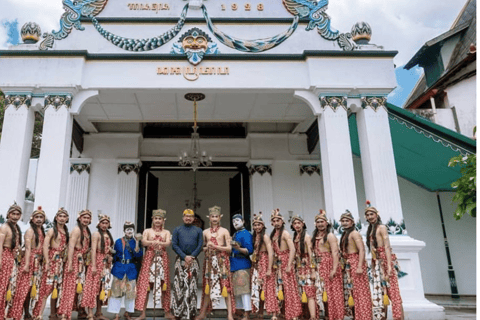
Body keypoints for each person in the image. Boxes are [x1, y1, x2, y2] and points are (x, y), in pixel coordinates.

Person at [365, 201, 404, 320]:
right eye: (367, 215)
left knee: (393, 293)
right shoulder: (370, 229)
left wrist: (390, 266)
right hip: (376, 263)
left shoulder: (381, 227)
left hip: (385, 262)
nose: (370, 217)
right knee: (380, 294)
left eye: (372, 214)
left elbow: (387, 247)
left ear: (377, 215)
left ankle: (399, 318)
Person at [196, 206, 235, 320]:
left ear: (219, 217)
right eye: (212, 216)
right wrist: (206, 248)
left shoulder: (224, 231)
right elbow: (201, 248)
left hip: (222, 261)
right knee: (208, 286)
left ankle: (230, 314)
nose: (214, 218)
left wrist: (216, 246)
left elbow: (229, 248)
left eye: (216, 216)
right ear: (209, 218)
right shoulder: (205, 232)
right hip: (209, 261)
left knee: (225, 286)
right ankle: (203, 313)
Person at [135, 209, 174, 320]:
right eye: (156, 218)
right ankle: (142, 313)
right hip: (149, 258)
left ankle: (167, 312)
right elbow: (144, 242)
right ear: (152, 219)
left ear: (163, 220)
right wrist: (155, 243)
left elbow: (167, 243)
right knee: (145, 285)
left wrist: (156, 243)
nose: (157, 221)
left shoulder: (166, 232)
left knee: (164, 285)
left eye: (160, 219)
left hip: (162, 258)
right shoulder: (147, 231)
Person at [8, 206, 46, 320]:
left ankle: (27, 313)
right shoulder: (30, 231)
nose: (39, 219)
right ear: (32, 219)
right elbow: (28, 249)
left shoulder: (41, 231)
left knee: (31, 290)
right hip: (29, 263)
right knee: (23, 290)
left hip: (37, 263)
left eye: (41, 217)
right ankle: (16, 313)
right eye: (37, 217)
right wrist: (26, 265)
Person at [32, 208, 70, 320]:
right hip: (52, 262)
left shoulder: (66, 231)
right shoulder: (52, 231)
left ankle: (53, 314)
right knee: (46, 288)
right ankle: (38, 314)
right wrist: (47, 262)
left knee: (56, 288)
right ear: (56, 218)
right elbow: (45, 246)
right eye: (60, 216)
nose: (62, 218)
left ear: (67, 219)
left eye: (64, 216)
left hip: (61, 263)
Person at [57, 209, 92, 320]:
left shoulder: (87, 231)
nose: (86, 220)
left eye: (88, 218)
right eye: (84, 217)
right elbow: (71, 247)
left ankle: (79, 311)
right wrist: (70, 263)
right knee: (70, 287)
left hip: (82, 261)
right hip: (75, 261)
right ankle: (64, 314)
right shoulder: (77, 230)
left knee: (79, 288)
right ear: (79, 218)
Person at [311, 210, 344, 320]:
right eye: (318, 222)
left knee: (334, 292)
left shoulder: (330, 236)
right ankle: (328, 315)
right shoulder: (315, 236)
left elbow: (335, 252)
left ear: (327, 223)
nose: (320, 224)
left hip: (329, 264)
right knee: (324, 292)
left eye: (322, 221)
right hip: (320, 266)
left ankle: (337, 316)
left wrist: (334, 269)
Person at [339, 210, 372, 320]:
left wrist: (359, 266)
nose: (344, 223)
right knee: (352, 292)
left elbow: (361, 250)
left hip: (356, 263)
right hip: (349, 264)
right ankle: (356, 316)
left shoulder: (354, 233)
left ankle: (364, 317)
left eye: (347, 221)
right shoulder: (345, 234)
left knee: (361, 292)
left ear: (352, 222)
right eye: (343, 221)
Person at [171, 209, 203, 320]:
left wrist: (191, 257)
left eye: (190, 216)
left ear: (194, 218)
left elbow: (200, 246)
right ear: (183, 217)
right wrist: (184, 257)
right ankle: (177, 312)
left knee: (192, 287)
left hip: (193, 261)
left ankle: (192, 312)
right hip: (180, 260)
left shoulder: (198, 230)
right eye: (186, 216)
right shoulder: (177, 230)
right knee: (178, 287)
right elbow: (174, 245)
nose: (188, 218)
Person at [107, 221, 143, 320]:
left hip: (131, 269)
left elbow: (139, 256)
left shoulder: (137, 241)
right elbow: (114, 256)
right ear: (124, 231)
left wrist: (137, 248)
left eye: (131, 229)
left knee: (130, 293)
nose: (129, 231)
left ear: (133, 230)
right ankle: (116, 314)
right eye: (127, 229)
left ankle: (128, 313)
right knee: (116, 292)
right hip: (119, 269)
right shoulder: (118, 241)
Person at [270, 209, 301, 320]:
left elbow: (292, 249)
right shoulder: (273, 234)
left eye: (278, 220)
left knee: (289, 288)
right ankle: (279, 313)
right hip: (277, 263)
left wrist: (289, 265)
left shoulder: (285, 233)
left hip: (286, 261)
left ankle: (293, 313)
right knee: (278, 287)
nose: (276, 222)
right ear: (272, 223)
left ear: (282, 221)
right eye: (274, 220)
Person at [82, 214, 114, 320]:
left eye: (106, 223)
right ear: (99, 224)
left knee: (102, 287)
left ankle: (99, 312)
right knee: (93, 287)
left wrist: (110, 256)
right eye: (102, 223)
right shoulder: (96, 234)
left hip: (105, 264)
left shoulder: (108, 234)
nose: (104, 225)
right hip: (97, 262)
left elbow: (109, 250)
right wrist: (94, 265)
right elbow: (93, 250)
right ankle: (90, 312)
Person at [250, 213, 278, 320]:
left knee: (269, 288)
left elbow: (270, 252)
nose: (257, 227)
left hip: (265, 263)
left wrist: (269, 268)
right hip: (257, 264)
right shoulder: (255, 237)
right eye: (255, 225)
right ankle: (260, 312)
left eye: (259, 225)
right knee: (258, 288)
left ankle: (274, 313)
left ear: (263, 226)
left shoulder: (265, 236)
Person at [290, 215, 316, 320]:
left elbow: (311, 255)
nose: (297, 225)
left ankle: (313, 316)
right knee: (300, 291)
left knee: (309, 291)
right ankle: (303, 314)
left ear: (303, 224)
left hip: (307, 268)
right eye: (295, 223)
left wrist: (313, 270)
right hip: (298, 267)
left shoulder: (306, 237)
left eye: (298, 223)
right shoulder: (295, 237)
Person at [0, 202, 23, 320]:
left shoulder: (16, 228)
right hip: (5, 257)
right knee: (2, 286)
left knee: (9, 286)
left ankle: (5, 313)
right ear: (8, 214)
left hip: (12, 259)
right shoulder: (5, 227)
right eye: (13, 214)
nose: (15, 216)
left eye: (18, 214)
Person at [230, 214, 253, 320]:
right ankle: (239, 311)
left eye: (238, 220)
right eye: (233, 221)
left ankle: (247, 313)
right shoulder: (235, 234)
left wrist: (238, 248)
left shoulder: (246, 234)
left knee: (244, 289)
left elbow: (249, 250)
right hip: (234, 263)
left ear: (243, 221)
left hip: (243, 263)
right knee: (237, 290)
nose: (235, 223)